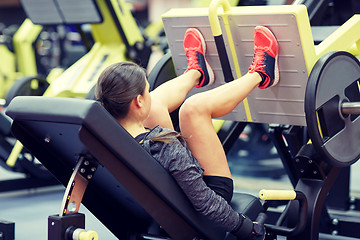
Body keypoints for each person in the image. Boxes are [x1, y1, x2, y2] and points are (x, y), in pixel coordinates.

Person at [95, 26, 279, 240]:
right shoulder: (165, 145)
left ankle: (197, 71)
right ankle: (261, 73)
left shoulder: (105, 139)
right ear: (137, 101)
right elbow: (207, 204)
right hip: (202, 204)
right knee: (194, 108)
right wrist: (247, 227)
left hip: (173, 202)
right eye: (147, 92)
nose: (149, 95)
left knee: (155, 108)